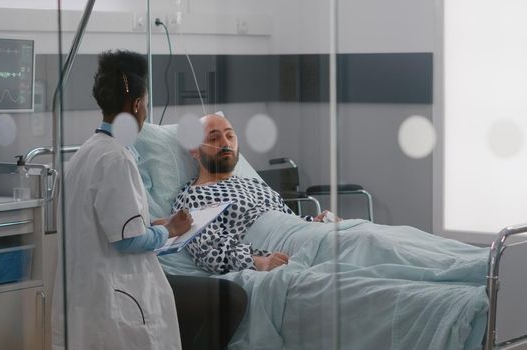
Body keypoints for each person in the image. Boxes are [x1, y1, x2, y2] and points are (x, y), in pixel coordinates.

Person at [51, 50, 193, 350]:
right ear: (138, 104)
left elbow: (102, 225)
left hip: (85, 298)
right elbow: (127, 241)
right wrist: (171, 231)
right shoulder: (116, 159)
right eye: (147, 105)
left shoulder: (83, 156)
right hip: (115, 302)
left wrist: (156, 223)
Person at [172, 113, 336, 274]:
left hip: (303, 233)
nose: (226, 143)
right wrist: (258, 262)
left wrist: (315, 221)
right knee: (354, 243)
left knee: (354, 235)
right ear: (194, 150)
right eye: (214, 139)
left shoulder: (254, 184)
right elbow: (206, 251)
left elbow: (288, 219)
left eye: (230, 136)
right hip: (279, 246)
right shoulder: (193, 196)